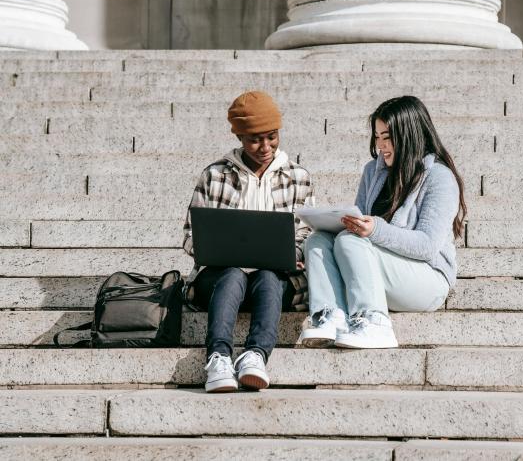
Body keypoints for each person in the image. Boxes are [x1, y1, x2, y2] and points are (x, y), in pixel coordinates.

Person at [298, 95, 466, 349]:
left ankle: (375, 323)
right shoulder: (372, 171)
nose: (380, 146)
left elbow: (427, 246)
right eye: (377, 137)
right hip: (381, 270)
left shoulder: (439, 178)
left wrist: (375, 229)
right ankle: (330, 316)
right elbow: (360, 230)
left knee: (350, 241)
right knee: (318, 240)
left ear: (408, 135)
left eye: (387, 137)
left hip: (428, 278)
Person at [182, 90, 314, 393]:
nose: (265, 147)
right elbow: (190, 235)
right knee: (232, 274)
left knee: (267, 277)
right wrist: (216, 251)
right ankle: (218, 358)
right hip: (220, 279)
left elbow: (307, 232)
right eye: (255, 139)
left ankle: (255, 355)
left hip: (275, 282)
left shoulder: (299, 177)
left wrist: (290, 253)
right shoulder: (214, 175)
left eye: (272, 137)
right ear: (239, 136)